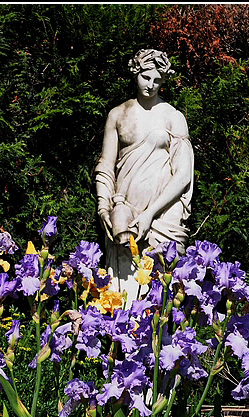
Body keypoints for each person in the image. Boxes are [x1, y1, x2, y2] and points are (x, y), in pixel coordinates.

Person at [95, 48, 194, 303]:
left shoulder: (174, 117)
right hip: (124, 217)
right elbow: (106, 166)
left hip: (163, 219)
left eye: (157, 80)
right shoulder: (118, 115)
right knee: (125, 301)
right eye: (146, 77)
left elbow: (183, 174)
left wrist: (150, 213)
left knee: (160, 301)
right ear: (135, 73)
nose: (150, 85)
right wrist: (103, 208)